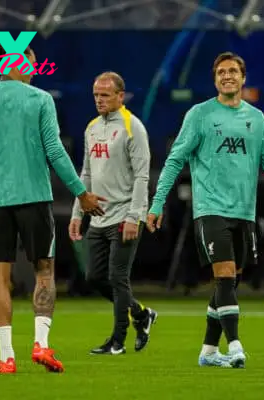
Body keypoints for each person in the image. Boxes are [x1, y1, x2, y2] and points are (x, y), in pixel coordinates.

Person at [0, 42, 106, 374]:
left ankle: (6, 357)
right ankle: (40, 344)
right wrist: (81, 194)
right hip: (35, 198)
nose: (35, 69)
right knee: (44, 271)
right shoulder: (40, 99)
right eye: (33, 63)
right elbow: (54, 151)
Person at [147, 52, 264, 368]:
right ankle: (235, 346)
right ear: (215, 79)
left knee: (229, 282)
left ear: (243, 78)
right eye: (221, 72)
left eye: (232, 71)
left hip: (244, 211)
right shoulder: (200, 115)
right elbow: (175, 159)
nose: (227, 76)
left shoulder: (257, 119)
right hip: (210, 208)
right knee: (225, 273)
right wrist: (158, 202)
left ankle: (207, 351)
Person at [69, 71, 157, 355]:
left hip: (125, 216)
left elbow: (143, 176)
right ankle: (141, 314)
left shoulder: (134, 128)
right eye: (96, 95)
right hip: (98, 215)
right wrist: (76, 213)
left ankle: (117, 341)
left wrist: (135, 216)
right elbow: (86, 173)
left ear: (121, 96)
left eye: (105, 95)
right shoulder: (91, 127)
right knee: (94, 277)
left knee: (118, 277)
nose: (99, 100)